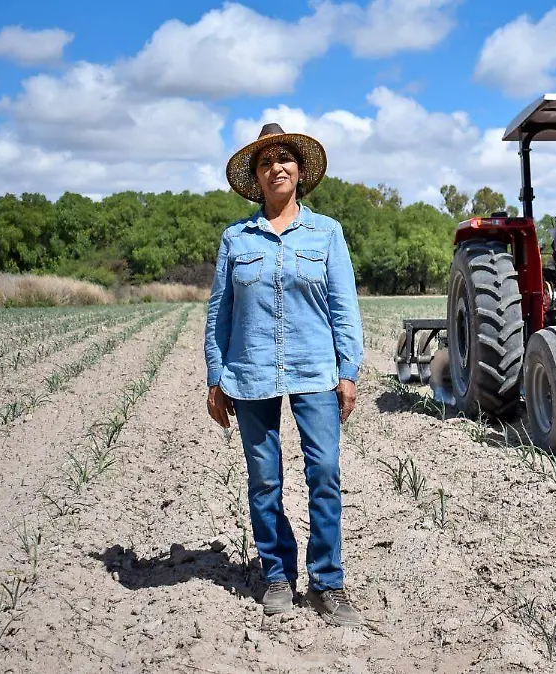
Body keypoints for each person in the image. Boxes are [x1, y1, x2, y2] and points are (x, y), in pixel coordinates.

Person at [204, 122, 365, 627]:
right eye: (266, 161)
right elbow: (219, 313)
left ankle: (328, 582)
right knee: (264, 480)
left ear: (299, 173)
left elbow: (344, 307)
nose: (278, 167)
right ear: (256, 177)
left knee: (324, 475)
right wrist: (216, 376)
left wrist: (348, 370)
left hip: (315, 370)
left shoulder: (327, 233)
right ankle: (277, 574)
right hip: (249, 373)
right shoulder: (236, 238)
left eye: (285, 159)